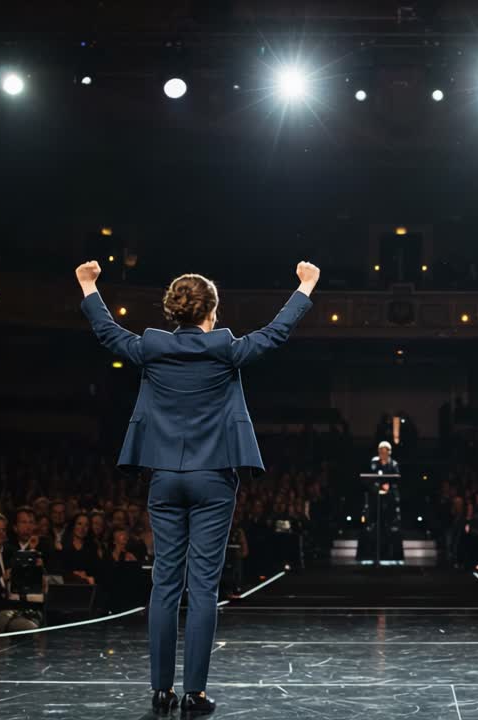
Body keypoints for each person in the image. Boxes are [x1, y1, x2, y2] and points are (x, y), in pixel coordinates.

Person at [77, 258, 317, 715]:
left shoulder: (151, 347)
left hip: (165, 478)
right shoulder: (226, 349)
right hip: (214, 478)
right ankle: (195, 693)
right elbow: (274, 334)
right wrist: (305, 287)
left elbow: (109, 332)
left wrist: (89, 286)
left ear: (173, 312)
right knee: (203, 587)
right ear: (213, 311)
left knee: (165, 583)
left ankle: (161, 690)